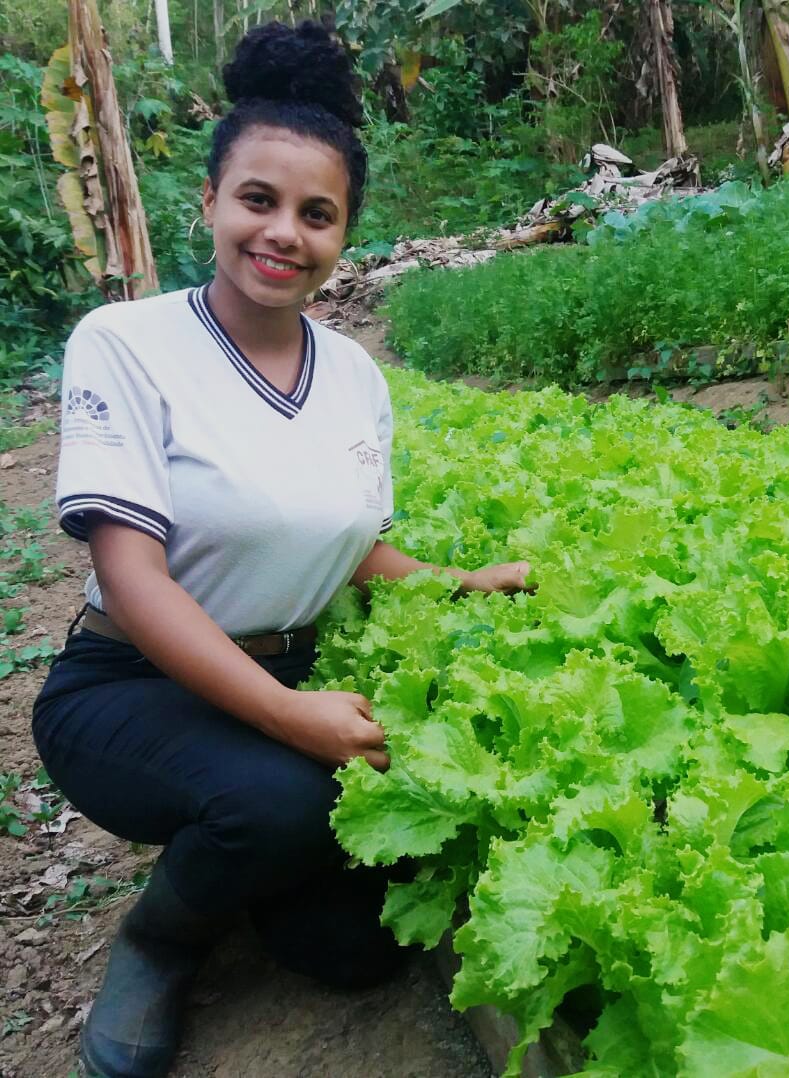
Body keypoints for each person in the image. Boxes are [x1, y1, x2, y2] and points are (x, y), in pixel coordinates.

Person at [30, 21, 531, 1078]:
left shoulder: (353, 375)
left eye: (317, 214)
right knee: (278, 798)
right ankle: (157, 939)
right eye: (258, 199)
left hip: (292, 663)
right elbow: (133, 573)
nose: (283, 233)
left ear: (344, 234)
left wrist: (459, 582)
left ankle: (240, 854)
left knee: (347, 952)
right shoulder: (126, 343)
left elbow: (345, 549)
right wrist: (289, 718)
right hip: (133, 681)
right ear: (209, 200)